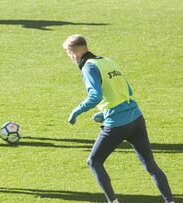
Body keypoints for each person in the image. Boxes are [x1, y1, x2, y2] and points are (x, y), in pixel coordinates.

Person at [63, 34, 174, 203]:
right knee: (151, 165)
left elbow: (95, 96)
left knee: (94, 162)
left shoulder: (88, 67)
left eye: (68, 54)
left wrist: (76, 111)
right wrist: (104, 112)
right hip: (136, 118)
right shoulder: (107, 61)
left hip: (117, 124)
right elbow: (127, 91)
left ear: (73, 53)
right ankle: (170, 201)